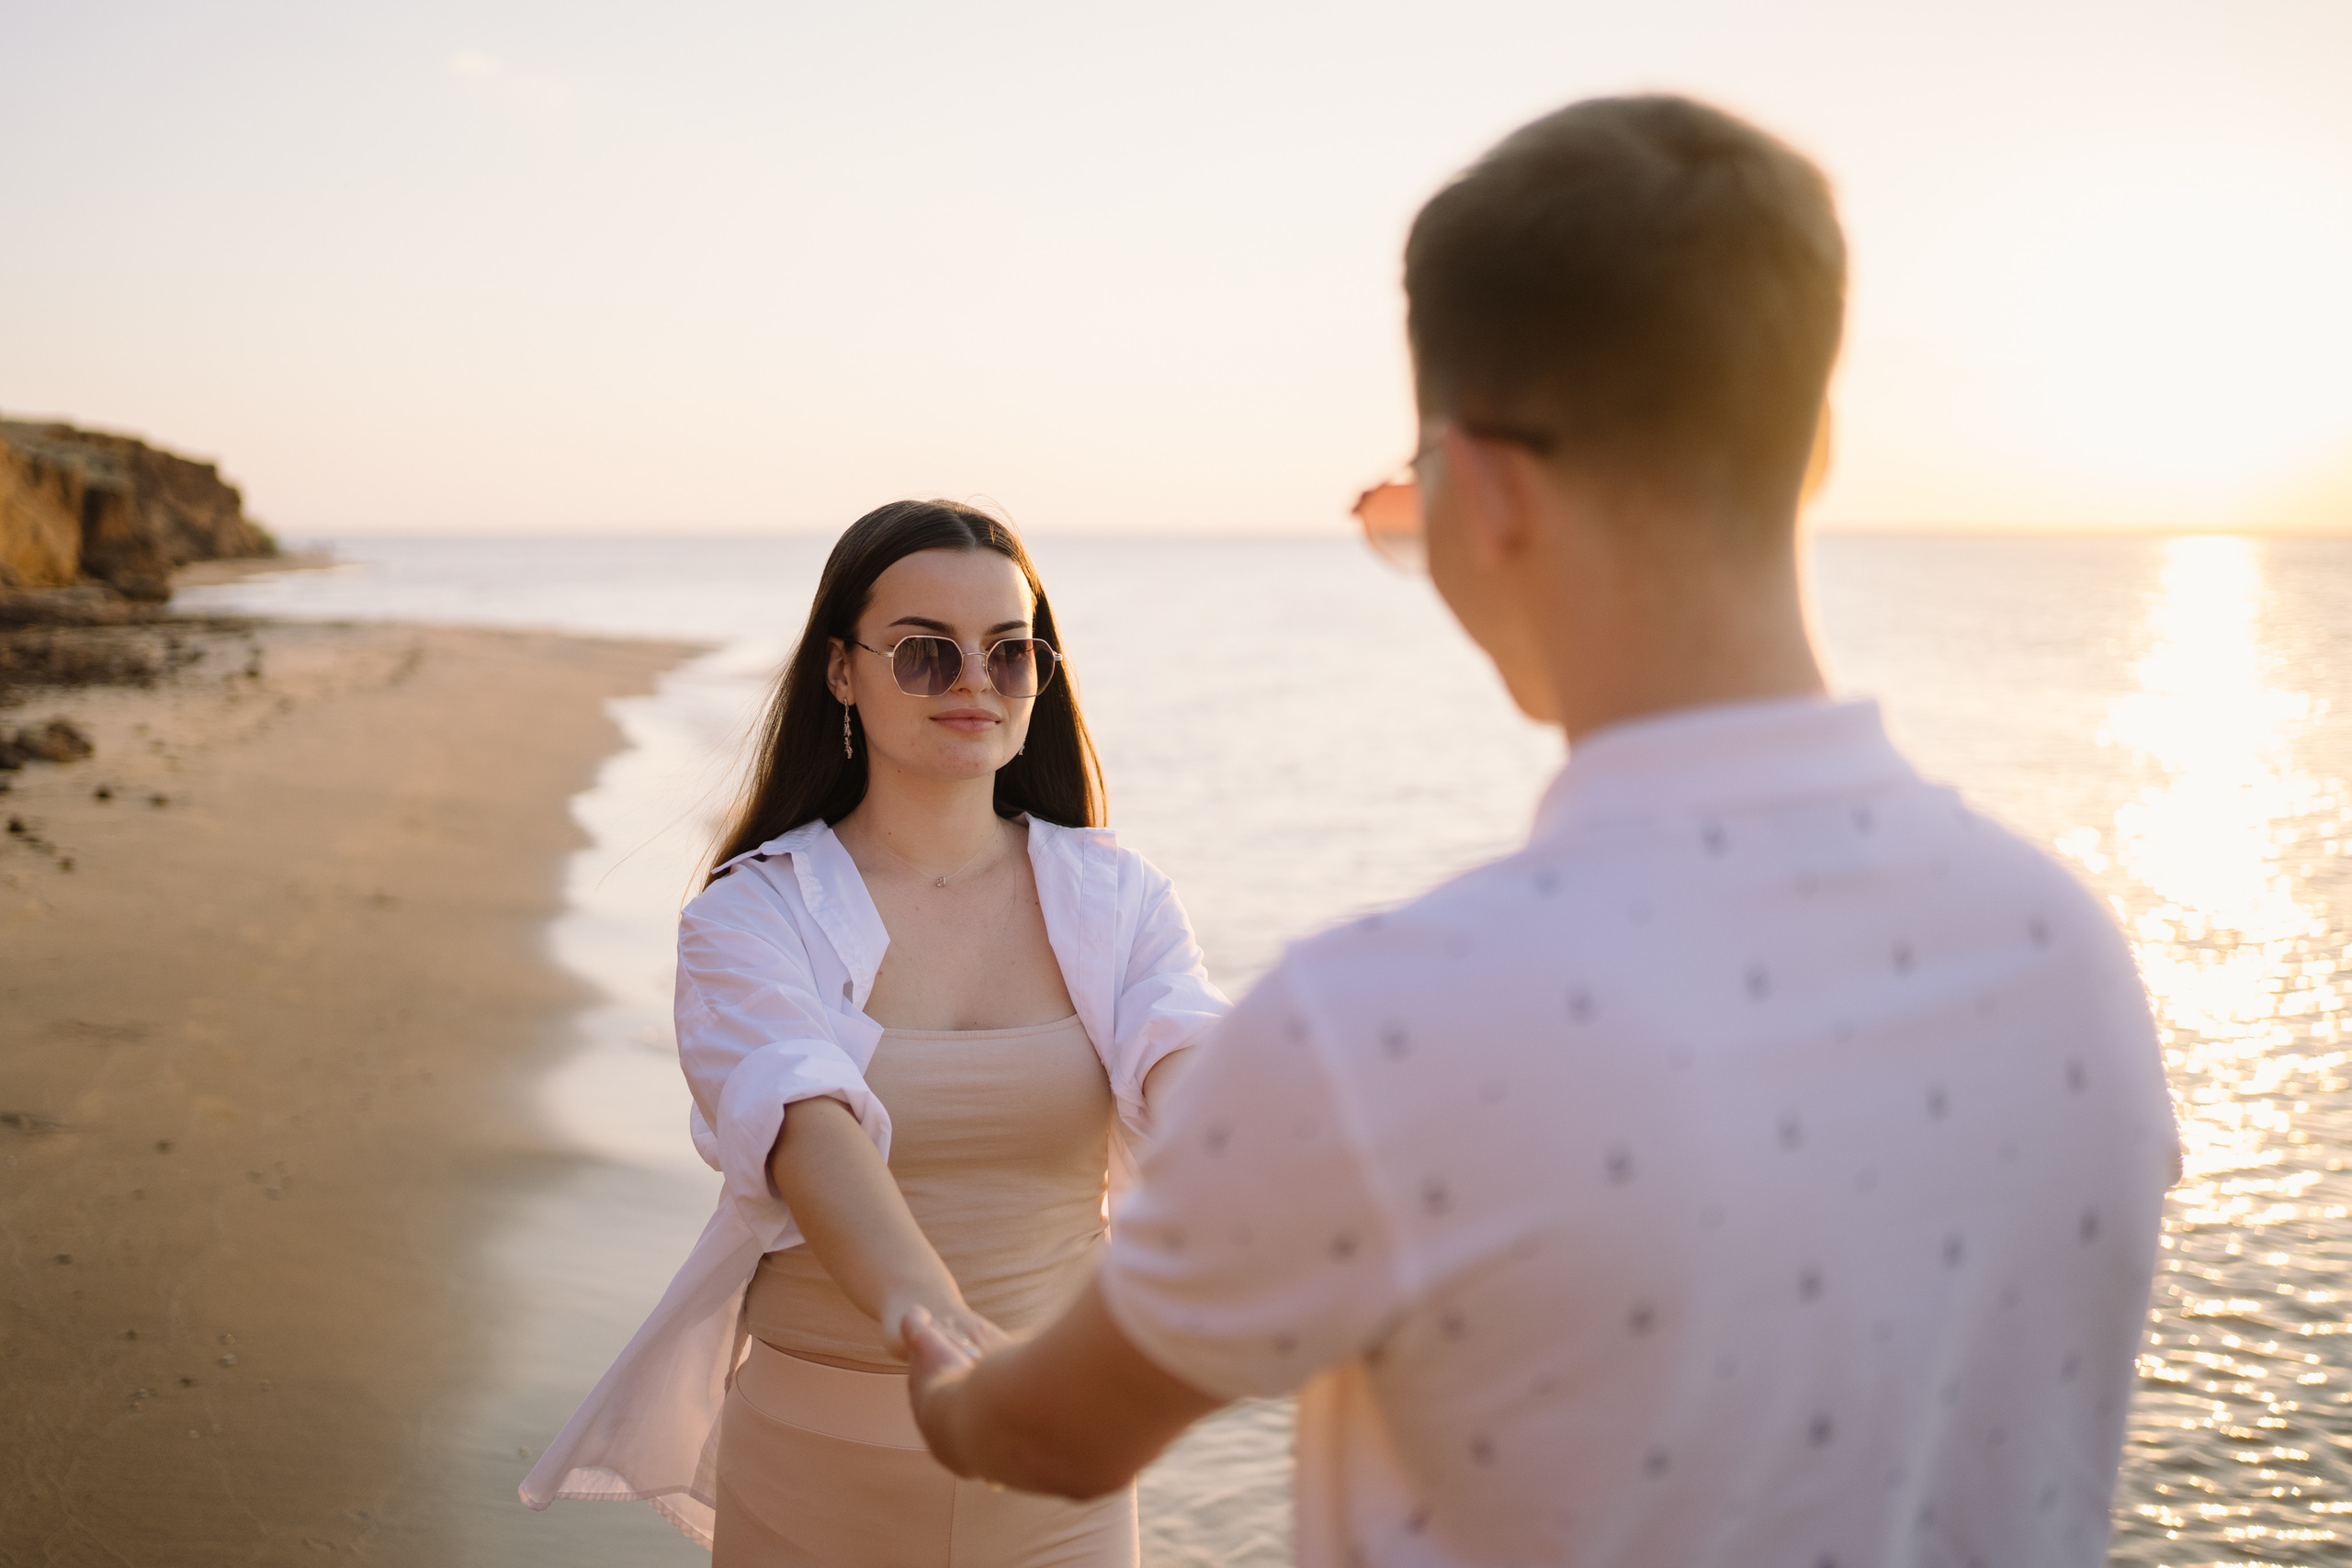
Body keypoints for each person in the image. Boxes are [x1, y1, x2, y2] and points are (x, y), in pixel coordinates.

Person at [903, 96, 2177, 1566]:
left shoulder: (1387, 1027)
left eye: (1414, 488)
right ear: (1815, 448)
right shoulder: (2069, 950)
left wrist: (946, 1381)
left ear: (1488, 493)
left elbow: (1055, 1433)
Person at [521, 499, 1227, 1565]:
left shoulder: (1118, 899)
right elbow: (806, 1128)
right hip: (816, 1475)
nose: (973, 683)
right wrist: (935, 1325)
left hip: (1054, 1466)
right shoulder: (751, 915)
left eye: (1009, 652)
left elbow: (1192, 1067)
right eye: (923, 654)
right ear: (840, 670)